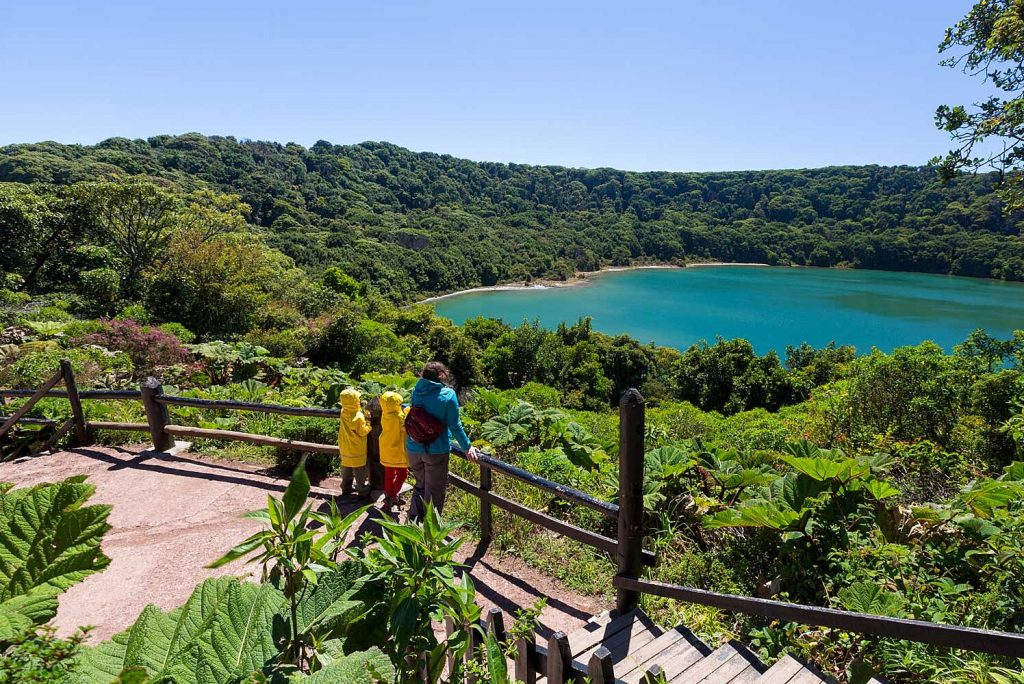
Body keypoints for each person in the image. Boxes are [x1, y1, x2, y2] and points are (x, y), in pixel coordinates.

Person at [406, 361, 478, 521]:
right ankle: (429, 533)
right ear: (441, 375)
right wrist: (467, 447)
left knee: (420, 486)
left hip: (413, 446)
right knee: (435, 493)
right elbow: (455, 425)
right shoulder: (448, 395)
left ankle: (412, 524)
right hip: (436, 449)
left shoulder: (416, 390)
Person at [378, 390, 409, 513]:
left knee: (389, 474)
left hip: (386, 450)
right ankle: (393, 495)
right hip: (398, 452)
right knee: (403, 473)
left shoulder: (385, 414)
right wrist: (407, 410)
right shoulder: (399, 417)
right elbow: (406, 423)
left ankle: (389, 496)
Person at [337, 387, 371, 497]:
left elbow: (350, 408)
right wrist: (368, 422)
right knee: (359, 470)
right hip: (357, 448)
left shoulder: (343, 412)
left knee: (346, 468)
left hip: (345, 446)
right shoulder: (359, 417)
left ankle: (346, 488)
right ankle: (362, 490)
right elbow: (363, 432)